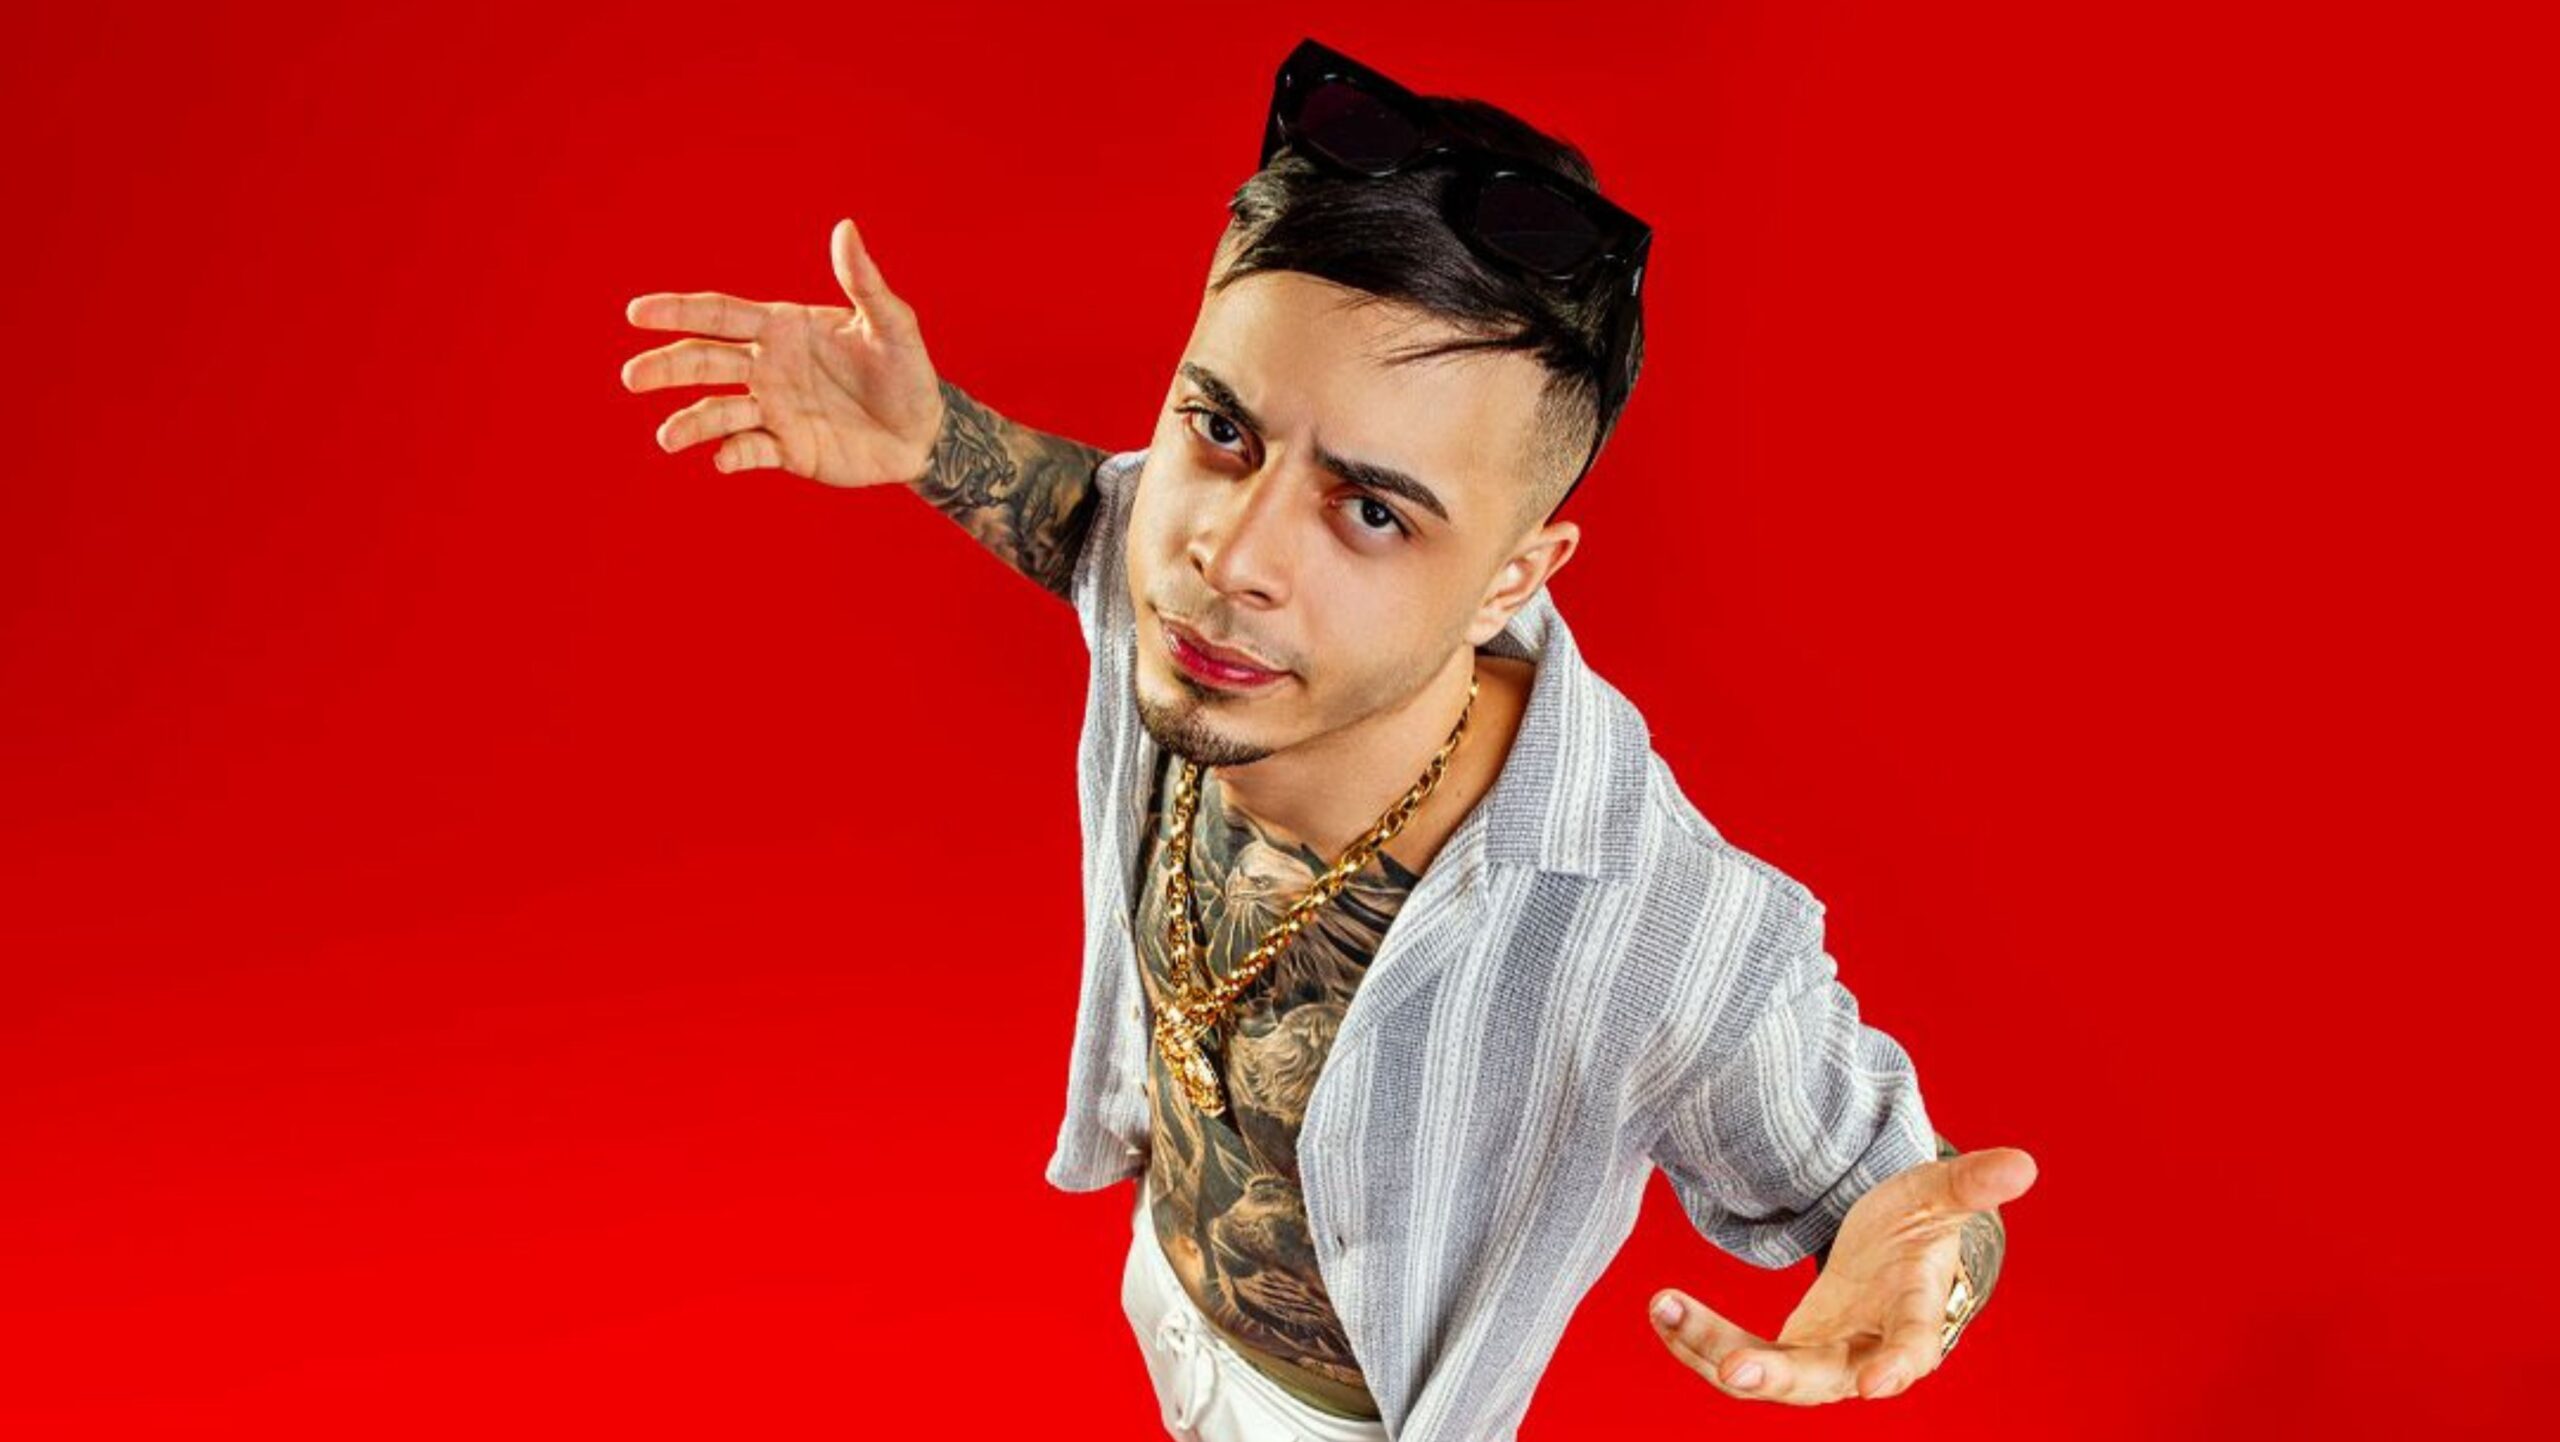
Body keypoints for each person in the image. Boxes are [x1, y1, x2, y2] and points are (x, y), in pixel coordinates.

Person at [619, 35, 2036, 1442]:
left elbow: (1903, 1193)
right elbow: (1087, 524)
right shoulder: (1193, 598)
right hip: (1162, 1297)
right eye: (1222, 431)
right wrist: (934, 439)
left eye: (1369, 512)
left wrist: (1930, 1272)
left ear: (1513, 578)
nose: (1230, 558)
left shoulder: (1651, 925)